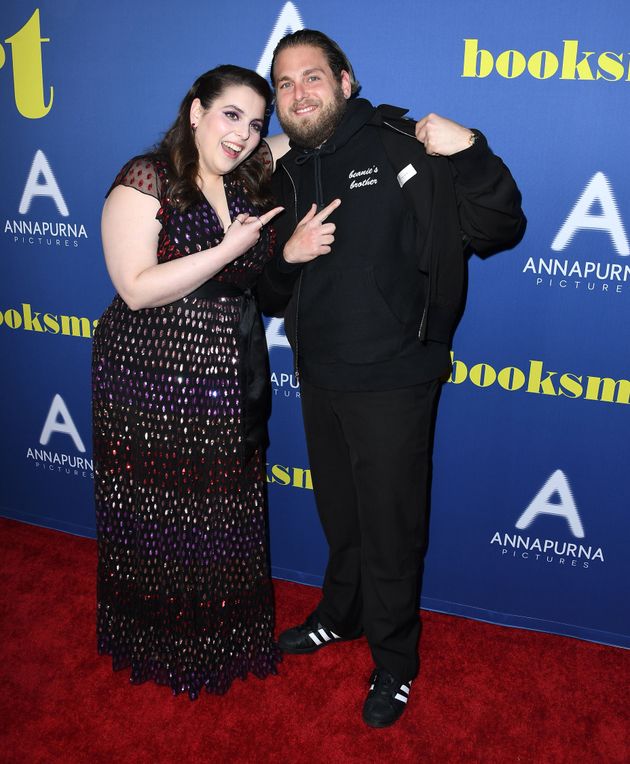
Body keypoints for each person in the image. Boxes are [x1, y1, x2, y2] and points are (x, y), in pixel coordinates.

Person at [258, 30, 525, 728]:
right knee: (342, 520)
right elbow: (265, 289)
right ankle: (341, 615)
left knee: (390, 531)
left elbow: (498, 224)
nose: (298, 94)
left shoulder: (401, 142)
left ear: (346, 81)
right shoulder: (284, 173)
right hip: (318, 374)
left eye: (312, 78)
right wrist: (285, 256)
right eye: (284, 85)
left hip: (395, 380)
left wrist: (470, 150)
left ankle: (397, 662)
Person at [92, 65, 288, 699]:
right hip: (148, 370)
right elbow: (135, 288)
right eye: (232, 115)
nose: (245, 134)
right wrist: (230, 250)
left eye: (257, 124)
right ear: (197, 111)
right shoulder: (147, 178)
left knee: (221, 507)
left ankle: (221, 634)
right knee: (159, 504)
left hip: (224, 367)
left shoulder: (245, 183)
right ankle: (156, 636)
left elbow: (311, 135)